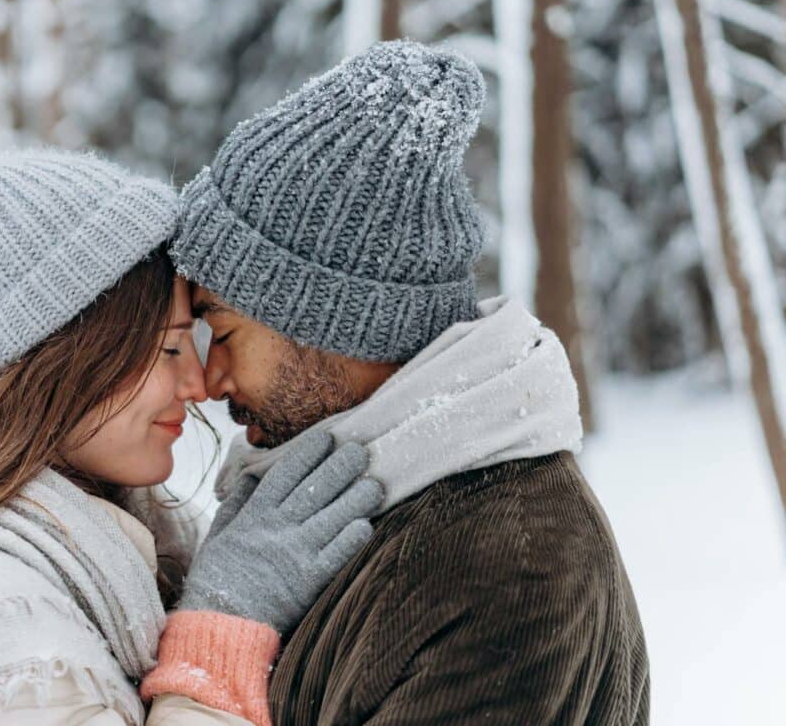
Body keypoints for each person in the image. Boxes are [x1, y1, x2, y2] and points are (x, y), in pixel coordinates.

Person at [0, 146, 384, 726]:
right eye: (170, 347)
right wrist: (222, 629)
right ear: (66, 361)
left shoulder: (94, 553)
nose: (197, 384)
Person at [170, 41, 651, 725]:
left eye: (223, 331)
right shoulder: (359, 511)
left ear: (327, 316)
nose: (209, 380)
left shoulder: (506, 568)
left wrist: (215, 642)